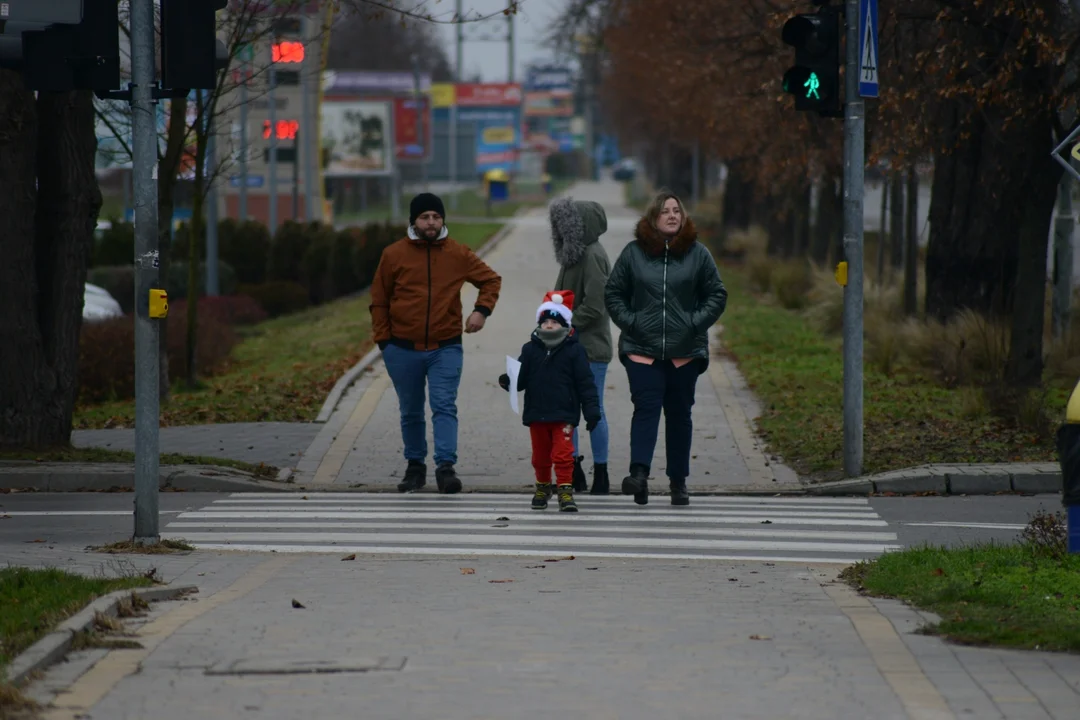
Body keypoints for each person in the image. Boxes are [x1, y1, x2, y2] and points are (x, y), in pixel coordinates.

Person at [370, 192, 502, 494]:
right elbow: (379, 300)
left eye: (436, 217)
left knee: (444, 405)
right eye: (425, 217)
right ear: (413, 221)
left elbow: (491, 280)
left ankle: (446, 467)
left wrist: (481, 311)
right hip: (402, 348)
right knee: (411, 410)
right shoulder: (393, 255)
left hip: (446, 346)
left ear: (443, 220)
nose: (431, 222)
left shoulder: (457, 253)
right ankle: (415, 467)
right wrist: (384, 342)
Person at [604, 191, 727, 506]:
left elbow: (717, 294)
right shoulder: (633, 254)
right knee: (645, 409)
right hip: (641, 349)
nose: (672, 215)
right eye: (665, 211)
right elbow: (614, 292)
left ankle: (678, 481)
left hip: (684, 352)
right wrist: (631, 323)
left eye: (677, 210)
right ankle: (639, 476)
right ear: (653, 218)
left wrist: (693, 323)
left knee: (679, 414)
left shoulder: (698, 254)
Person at [499, 291, 601, 513]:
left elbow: (586, 383)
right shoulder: (530, 349)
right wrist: (509, 381)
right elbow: (521, 378)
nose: (549, 325)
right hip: (537, 413)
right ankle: (543, 487)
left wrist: (592, 410)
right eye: (545, 321)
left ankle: (565, 489)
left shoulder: (575, 350)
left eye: (554, 321)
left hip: (564, 414)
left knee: (563, 454)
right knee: (540, 456)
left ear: (564, 325)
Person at [548, 196, 612, 494]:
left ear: (580, 226)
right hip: (571, 347)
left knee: (593, 410)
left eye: (566, 224)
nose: (561, 230)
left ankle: (601, 472)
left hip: (590, 349)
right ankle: (573, 470)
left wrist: (566, 324)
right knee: (568, 411)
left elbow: (596, 304)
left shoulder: (593, 255)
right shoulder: (574, 254)